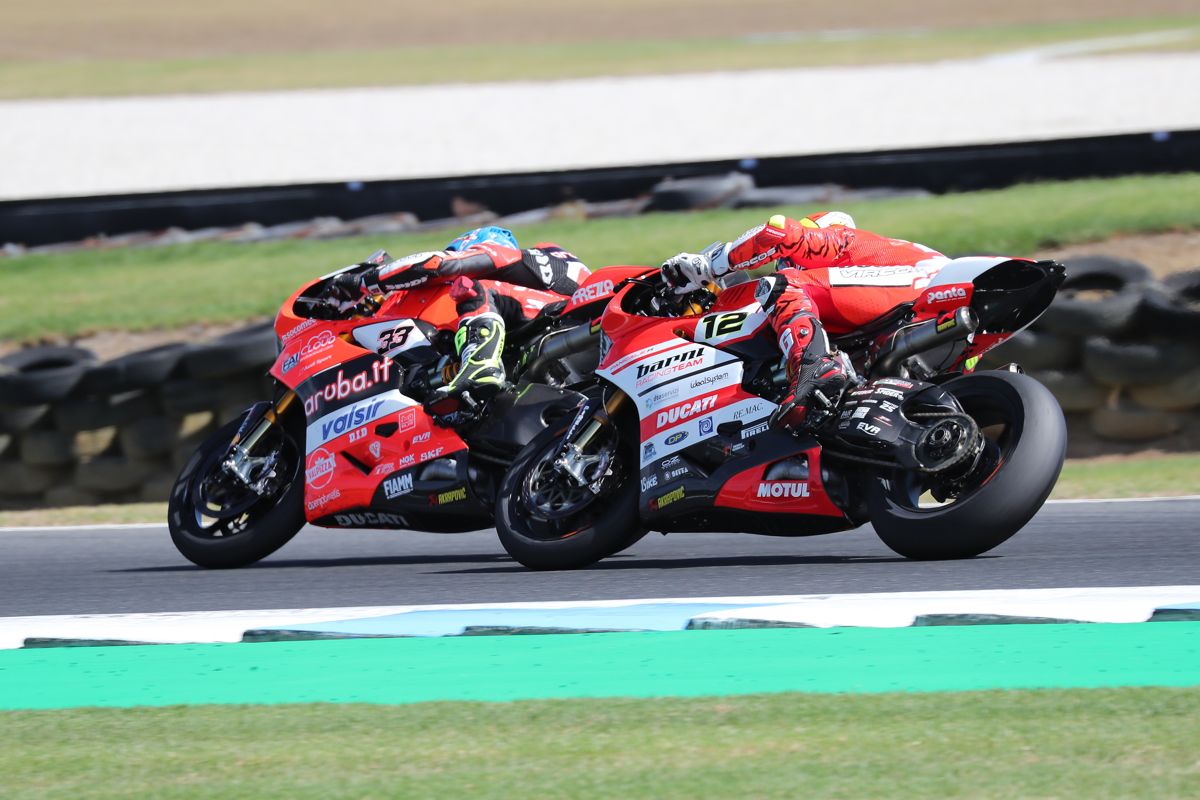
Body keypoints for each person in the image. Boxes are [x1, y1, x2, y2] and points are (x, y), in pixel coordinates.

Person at [661, 212, 949, 430]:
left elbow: (780, 232)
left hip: (922, 282)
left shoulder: (842, 237)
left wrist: (711, 265)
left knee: (783, 285)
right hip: (937, 323)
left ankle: (814, 370)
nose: (784, 263)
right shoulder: (862, 284)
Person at [329, 226, 590, 412]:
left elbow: (439, 265)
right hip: (577, 353)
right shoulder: (549, 273)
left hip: (565, 322)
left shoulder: (514, 258)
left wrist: (363, 282)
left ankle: (480, 365)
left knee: (469, 286)